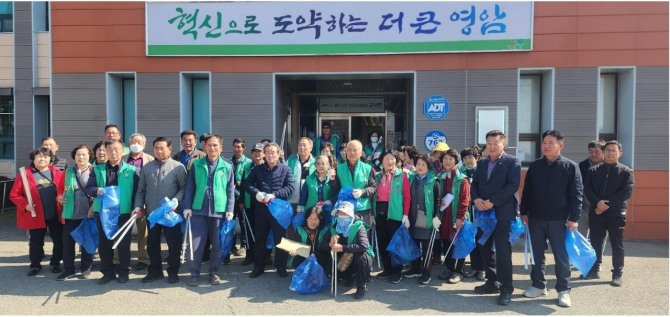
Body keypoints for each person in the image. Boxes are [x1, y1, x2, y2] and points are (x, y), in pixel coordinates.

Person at [520, 130, 583, 308]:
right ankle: (538, 285)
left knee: (561, 256)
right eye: (544, 142)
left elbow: (577, 195)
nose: (546, 146)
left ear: (560, 145)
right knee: (537, 255)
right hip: (536, 219)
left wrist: (574, 218)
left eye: (550, 142)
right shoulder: (535, 166)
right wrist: (523, 211)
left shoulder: (570, 167)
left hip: (559, 220)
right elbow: (527, 191)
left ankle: (563, 290)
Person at [470, 130, 521, 306]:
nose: (491, 146)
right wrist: (476, 199)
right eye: (489, 143)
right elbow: (474, 184)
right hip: (483, 213)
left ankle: (506, 288)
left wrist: (493, 201)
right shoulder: (482, 163)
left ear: (503, 144)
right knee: (484, 246)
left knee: (503, 251)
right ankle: (492, 281)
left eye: (495, 143)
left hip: (502, 213)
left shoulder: (512, 161)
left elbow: (512, 185)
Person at [182, 134, 235, 286]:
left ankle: (214, 272)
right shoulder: (197, 165)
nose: (212, 148)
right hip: (198, 210)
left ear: (220, 148)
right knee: (196, 244)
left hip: (219, 211)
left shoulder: (227, 166)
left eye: (215, 145)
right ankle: (194, 273)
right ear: (204, 147)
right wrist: (187, 206)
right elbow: (190, 187)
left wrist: (230, 209)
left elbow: (230, 189)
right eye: (209, 145)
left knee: (217, 244)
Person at [133, 137, 187, 284]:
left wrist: (177, 200)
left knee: (174, 244)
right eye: (156, 147)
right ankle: (155, 271)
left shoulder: (178, 167)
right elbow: (141, 190)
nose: (159, 150)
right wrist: (138, 206)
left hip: (171, 215)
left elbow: (184, 188)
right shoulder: (147, 167)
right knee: (152, 244)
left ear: (170, 149)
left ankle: (173, 271)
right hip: (153, 214)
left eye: (162, 148)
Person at [85, 139, 138, 285]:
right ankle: (107, 273)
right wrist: (97, 190)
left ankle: (123, 272)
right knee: (104, 244)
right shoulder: (97, 170)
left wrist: (136, 207)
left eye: (117, 149)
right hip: (103, 213)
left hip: (124, 213)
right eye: (110, 150)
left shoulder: (131, 170)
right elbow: (89, 188)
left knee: (123, 244)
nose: (113, 152)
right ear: (106, 152)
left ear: (123, 151)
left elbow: (137, 192)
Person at [584, 140, 634, 287]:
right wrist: (597, 203)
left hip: (616, 213)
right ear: (603, 153)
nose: (610, 153)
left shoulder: (626, 171)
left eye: (614, 150)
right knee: (595, 242)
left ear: (620, 153)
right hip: (597, 212)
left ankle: (617, 274)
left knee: (617, 243)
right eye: (608, 150)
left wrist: (605, 205)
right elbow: (588, 189)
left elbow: (626, 192)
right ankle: (594, 269)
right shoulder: (593, 171)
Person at [10, 147, 65, 276]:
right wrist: (25, 205)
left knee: (59, 240)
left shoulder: (58, 173)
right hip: (36, 214)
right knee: (36, 241)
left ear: (50, 159)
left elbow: (64, 190)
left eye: (45, 156)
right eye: (39, 156)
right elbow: (14, 194)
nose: (42, 159)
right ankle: (35, 265)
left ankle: (55, 263)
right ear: (33, 159)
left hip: (55, 213)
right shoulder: (24, 174)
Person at [243, 142, 294, 278]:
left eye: (274, 152)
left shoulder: (286, 169)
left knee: (281, 239)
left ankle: (281, 266)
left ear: (278, 154)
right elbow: (246, 184)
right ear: (264, 154)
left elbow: (290, 187)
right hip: (262, 210)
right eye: (268, 152)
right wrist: (256, 193)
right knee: (260, 239)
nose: (271, 155)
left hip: (279, 211)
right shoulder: (257, 169)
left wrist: (275, 194)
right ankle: (259, 266)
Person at [320, 201, 374, 299]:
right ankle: (349, 275)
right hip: (343, 259)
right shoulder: (334, 227)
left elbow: (363, 246)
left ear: (350, 214)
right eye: (340, 213)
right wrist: (330, 244)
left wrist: (342, 248)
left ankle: (361, 286)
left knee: (360, 257)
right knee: (323, 256)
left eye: (345, 213)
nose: (342, 216)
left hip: (359, 258)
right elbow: (322, 246)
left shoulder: (358, 225)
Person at [56, 145, 94, 280]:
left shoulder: (94, 170)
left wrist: (94, 207)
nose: (81, 157)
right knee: (68, 241)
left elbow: (98, 190)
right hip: (70, 212)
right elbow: (60, 190)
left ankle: (86, 267)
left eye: (84, 154)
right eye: (78, 154)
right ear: (74, 156)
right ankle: (68, 269)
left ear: (89, 155)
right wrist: (59, 198)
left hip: (87, 211)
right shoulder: (69, 171)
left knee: (86, 241)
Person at [372, 150, 410, 284]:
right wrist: (372, 214)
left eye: (392, 159)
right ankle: (387, 268)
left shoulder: (402, 175)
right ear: (381, 161)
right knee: (383, 242)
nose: (390, 161)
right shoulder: (376, 176)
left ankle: (396, 271)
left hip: (395, 213)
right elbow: (372, 197)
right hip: (380, 213)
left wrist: (405, 215)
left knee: (396, 244)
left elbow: (407, 197)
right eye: (387, 159)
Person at [405, 153, 442, 284]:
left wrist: (437, 216)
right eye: (418, 164)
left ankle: (426, 272)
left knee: (426, 246)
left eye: (423, 164)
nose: (420, 167)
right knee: (413, 243)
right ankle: (415, 269)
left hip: (425, 215)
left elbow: (438, 200)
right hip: (412, 214)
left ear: (428, 167)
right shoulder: (412, 178)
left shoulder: (433, 180)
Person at [436, 149, 471, 285]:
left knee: (458, 243)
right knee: (446, 242)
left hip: (456, 216)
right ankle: (450, 268)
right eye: (445, 159)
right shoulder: (441, 176)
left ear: (456, 161)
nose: (447, 161)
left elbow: (464, 200)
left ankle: (458, 271)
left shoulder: (462, 179)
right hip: (445, 215)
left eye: (451, 159)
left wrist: (460, 217)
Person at [123, 132, 155, 271]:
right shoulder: (122, 158)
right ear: (129, 143)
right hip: (125, 198)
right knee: (123, 229)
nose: (136, 144)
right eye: (133, 141)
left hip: (143, 199)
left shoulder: (151, 159)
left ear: (144, 144)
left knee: (143, 231)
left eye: (139, 142)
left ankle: (143, 258)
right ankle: (121, 259)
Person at [334, 140, 377, 225]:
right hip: (344, 209)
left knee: (362, 236)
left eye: (355, 150)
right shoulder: (339, 169)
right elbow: (335, 189)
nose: (352, 152)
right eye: (349, 150)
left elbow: (373, 187)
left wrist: (362, 192)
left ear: (361, 153)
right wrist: (331, 180)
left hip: (363, 209)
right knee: (346, 236)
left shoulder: (368, 168)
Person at [239, 143, 268, 266]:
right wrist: (241, 200)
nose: (257, 153)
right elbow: (243, 185)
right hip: (249, 202)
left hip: (264, 203)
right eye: (255, 151)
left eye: (260, 151)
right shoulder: (247, 166)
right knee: (249, 230)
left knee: (264, 231)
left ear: (264, 154)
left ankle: (265, 256)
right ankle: (250, 255)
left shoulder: (268, 166)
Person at [297, 155, 338, 227]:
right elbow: (303, 195)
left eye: (323, 163)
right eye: (318, 164)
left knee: (325, 232)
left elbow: (336, 194)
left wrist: (327, 202)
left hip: (327, 212)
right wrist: (300, 209)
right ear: (315, 166)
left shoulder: (332, 178)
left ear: (328, 165)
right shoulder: (309, 179)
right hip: (311, 211)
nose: (320, 166)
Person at [577, 140, 605, 237]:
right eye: (591, 151)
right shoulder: (582, 165)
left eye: (596, 151)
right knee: (580, 236)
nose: (593, 154)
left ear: (603, 152)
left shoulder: (609, 166)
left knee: (598, 239)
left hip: (601, 208)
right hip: (584, 207)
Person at [231, 138, 252, 259]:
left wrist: (238, 183)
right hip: (230, 197)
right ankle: (231, 245)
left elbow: (248, 181)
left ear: (243, 148)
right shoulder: (228, 162)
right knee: (231, 221)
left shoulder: (248, 163)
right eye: (235, 146)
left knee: (243, 221)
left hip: (243, 196)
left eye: (239, 147)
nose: (236, 149)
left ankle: (243, 245)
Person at [286, 137, 315, 214]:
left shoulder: (316, 162)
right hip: (292, 201)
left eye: (304, 145)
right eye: (299, 145)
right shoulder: (290, 160)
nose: (302, 147)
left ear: (311, 148)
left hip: (309, 202)